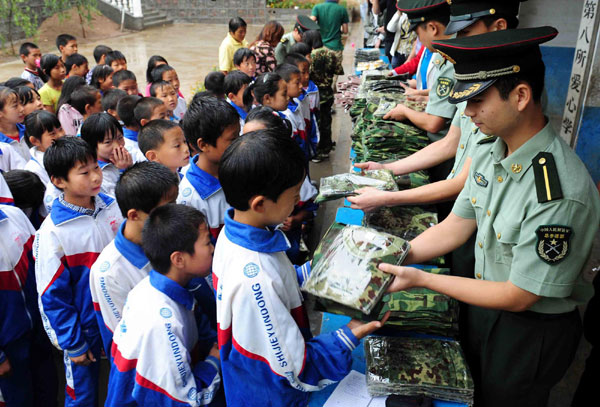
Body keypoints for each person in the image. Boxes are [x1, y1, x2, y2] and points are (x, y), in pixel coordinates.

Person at [379, 26, 600, 407]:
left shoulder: (559, 193)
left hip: (529, 331)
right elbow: (457, 224)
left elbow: (519, 295)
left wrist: (424, 280)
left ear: (521, 96)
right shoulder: (489, 147)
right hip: (484, 301)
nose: (467, 113)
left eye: (478, 100)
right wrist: (394, 257)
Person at [215, 130, 386, 406]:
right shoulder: (255, 278)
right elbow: (293, 368)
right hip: (272, 394)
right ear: (260, 203)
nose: (298, 202)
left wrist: (318, 269)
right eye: (294, 197)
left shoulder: (232, 233)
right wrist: (352, 332)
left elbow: (278, 283)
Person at [34, 137, 122, 407]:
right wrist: (73, 343)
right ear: (59, 181)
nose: (96, 176)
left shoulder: (112, 206)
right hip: (86, 329)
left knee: (121, 386)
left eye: (96, 167)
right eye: (84, 172)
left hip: (120, 319)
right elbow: (53, 295)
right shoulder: (54, 232)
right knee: (83, 395)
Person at [107, 204, 223, 406]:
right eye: (206, 243)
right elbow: (184, 400)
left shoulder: (154, 287)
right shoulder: (162, 323)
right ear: (179, 259)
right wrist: (213, 362)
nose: (213, 248)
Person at [89, 161, 179, 354]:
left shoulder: (171, 235)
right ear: (134, 215)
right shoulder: (109, 272)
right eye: (167, 208)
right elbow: (130, 342)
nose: (176, 214)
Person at [0, 203, 58, 407]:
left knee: (48, 391)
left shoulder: (13, 215)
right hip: (8, 344)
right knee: (20, 399)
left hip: (39, 329)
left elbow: (41, 260)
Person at [177, 96, 239, 241]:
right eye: (232, 139)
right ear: (203, 145)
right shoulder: (190, 198)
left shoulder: (238, 167)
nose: (239, 143)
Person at [302, 30, 343, 162]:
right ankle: (327, 146)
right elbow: (339, 71)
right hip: (328, 92)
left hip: (315, 94)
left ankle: (318, 150)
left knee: (316, 122)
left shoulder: (310, 57)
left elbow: (306, 75)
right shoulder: (331, 53)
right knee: (326, 120)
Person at [80, 113, 133, 196]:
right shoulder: (97, 173)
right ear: (92, 145)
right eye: (108, 142)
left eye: (120, 138)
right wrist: (124, 171)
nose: (117, 146)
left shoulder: (127, 155)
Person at [284, 53, 320, 159]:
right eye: (303, 73)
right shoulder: (286, 113)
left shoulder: (301, 99)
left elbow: (311, 122)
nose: (307, 76)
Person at [24, 110, 66, 186]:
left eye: (60, 129)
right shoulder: (34, 170)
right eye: (52, 134)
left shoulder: (69, 151)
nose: (61, 135)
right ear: (35, 141)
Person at [275, 64, 308, 155]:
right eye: (297, 83)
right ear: (284, 85)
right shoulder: (286, 114)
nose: (301, 86)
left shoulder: (297, 101)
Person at [0, 86, 28, 161]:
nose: (22, 109)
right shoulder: (1, 144)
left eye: (21, 103)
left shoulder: (29, 131)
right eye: (15, 106)